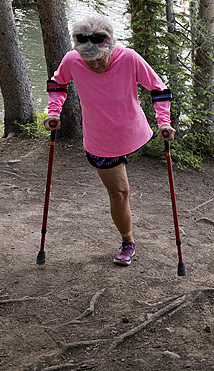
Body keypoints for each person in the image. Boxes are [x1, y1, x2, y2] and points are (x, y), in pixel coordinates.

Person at [43, 15, 175, 266]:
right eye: (87, 60)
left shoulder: (129, 58)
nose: (94, 65)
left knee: (120, 189)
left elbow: (158, 88)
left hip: (134, 133)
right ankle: (128, 241)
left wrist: (164, 121)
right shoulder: (72, 60)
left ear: (110, 47)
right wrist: (53, 111)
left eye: (99, 59)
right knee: (120, 192)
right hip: (101, 139)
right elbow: (58, 83)